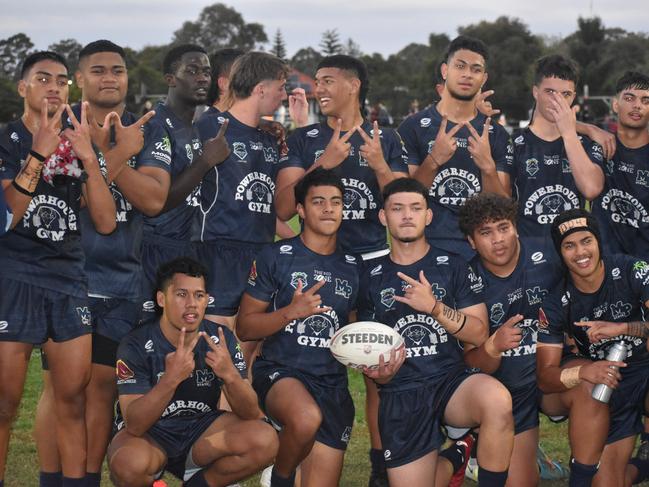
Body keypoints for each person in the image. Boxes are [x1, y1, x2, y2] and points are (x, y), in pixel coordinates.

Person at [32, 39, 162, 487]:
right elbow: (81, 203)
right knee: (61, 391)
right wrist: (118, 156)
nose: (110, 78)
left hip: (124, 284)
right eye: (99, 70)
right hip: (67, 278)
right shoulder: (56, 132)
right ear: (80, 79)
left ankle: (83, 479)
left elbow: (152, 200)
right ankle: (54, 479)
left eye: (119, 70)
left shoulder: (145, 130)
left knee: (103, 390)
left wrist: (119, 153)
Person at [0, 51, 116, 487]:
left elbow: (104, 222)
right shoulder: (5, 139)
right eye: (43, 78)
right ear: (22, 87)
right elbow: (6, 216)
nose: (54, 86)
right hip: (13, 276)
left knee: (72, 400)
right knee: (5, 405)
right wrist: (37, 154)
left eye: (62, 80)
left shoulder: (78, 141)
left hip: (68, 280)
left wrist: (89, 159)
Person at [357, 177, 514, 487]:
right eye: (397, 208)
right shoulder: (369, 276)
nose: (406, 215)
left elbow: (479, 333)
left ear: (428, 216)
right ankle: (458, 454)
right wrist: (382, 375)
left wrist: (435, 308)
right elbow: (367, 348)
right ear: (383, 217)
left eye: (416, 208)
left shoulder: (453, 266)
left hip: (449, 382)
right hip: (401, 391)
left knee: (496, 400)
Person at [237, 169, 360, 487]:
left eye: (336, 202)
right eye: (318, 202)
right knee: (305, 418)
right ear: (302, 210)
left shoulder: (354, 267)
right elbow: (246, 327)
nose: (329, 209)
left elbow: (356, 329)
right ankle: (280, 478)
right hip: (281, 372)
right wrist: (291, 312)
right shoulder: (276, 256)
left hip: (332, 385)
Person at [107, 257, 277, 486]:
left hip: (200, 430)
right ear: (161, 299)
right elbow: (135, 424)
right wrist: (171, 379)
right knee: (128, 463)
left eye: (199, 295)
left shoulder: (220, 338)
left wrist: (231, 376)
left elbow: (251, 413)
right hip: (150, 434)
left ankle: (197, 482)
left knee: (264, 439)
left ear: (207, 300)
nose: (191, 304)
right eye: (181, 294)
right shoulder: (135, 344)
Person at [537, 208, 649, 486]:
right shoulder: (557, 300)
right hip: (606, 386)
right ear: (560, 253)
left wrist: (623, 328)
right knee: (608, 481)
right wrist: (582, 374)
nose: (580, 252)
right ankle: (643, 464)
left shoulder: (632, 270)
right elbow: (545, 377)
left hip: (643, 370)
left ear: (599, 241)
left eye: (586, 240)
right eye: (569, 245)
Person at [458, 193, 562, 486]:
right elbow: (473, 362)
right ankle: (480, 444)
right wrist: (493, 346)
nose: (498, 239)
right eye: (485, 233)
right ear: (471, 241)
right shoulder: (466, 278)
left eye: (503, 227)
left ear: (516, 227)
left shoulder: (549, 254)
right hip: (507, 393)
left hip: (550, 376)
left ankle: (593, 465)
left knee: (590, 385)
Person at [275, 54, 408, 258]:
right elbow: (283, 210)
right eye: (317, 82)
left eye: (327, 81)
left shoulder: (387, 139)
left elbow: (404, 209)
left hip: (373, 259)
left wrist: (380, 166)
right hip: (317, 260)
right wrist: (323, 164)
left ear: (353, 86)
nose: (318, 90)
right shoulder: (302, 139)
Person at [194, 51, 289, 332]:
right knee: (217, 346)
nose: (283, 95)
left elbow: (271, 205)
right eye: (281, 87)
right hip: (219, 252)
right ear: (261, 89)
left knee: (250, 350)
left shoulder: (270, 137)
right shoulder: (209, 128)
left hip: (262, 254)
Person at [397, 35, 512, 260]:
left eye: (476, 69)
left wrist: (487, 167)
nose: (467, 74)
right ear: (444, 71)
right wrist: (433, 160)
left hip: (478, 255)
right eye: (460, 66)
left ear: (484, 78)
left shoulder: (496, 134)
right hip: (424, 251)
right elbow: (403, 200)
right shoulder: (413, 127)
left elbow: (504, 210)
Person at [139, 44, 230, 317]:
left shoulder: (192, 126)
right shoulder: (156, 125)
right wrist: (205, 162)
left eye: (206, 72)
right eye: (191, 71)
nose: (202, 78)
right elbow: (159, 201)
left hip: (184, 247)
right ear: (170, 79)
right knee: (148, 340)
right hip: (152, 248)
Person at [505, 55, 604, 244]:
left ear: (574, 97)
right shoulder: (514, 144)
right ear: (536, 92)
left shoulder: (586, 144)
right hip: (528, 256)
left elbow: (591, 189)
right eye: (550, 91)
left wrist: (568, 132)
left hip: (573, 255)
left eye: (565, 94)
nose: (557, 100)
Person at [591, 71, 649, 258]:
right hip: (605, 264)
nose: (637, 106)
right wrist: (589, 128)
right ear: (616, 105)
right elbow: (557, 125)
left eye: (645, 101)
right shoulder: (598, 145)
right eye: (630, 98)